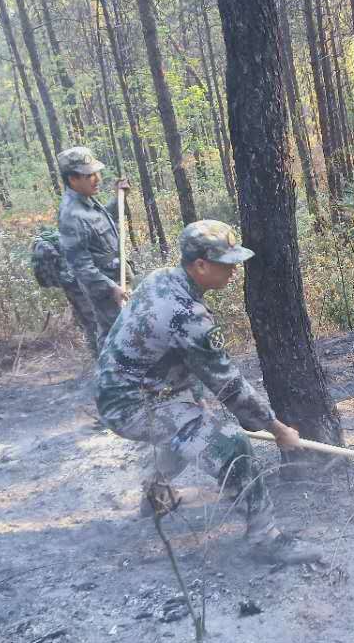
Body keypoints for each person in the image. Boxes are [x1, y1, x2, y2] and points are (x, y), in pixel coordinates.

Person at [95, 220, 308, 561]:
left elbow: (175, 354)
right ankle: (265, 538)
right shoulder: (186, 313)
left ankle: (155, 496)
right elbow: (228, 383)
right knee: (230, 443)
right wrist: (277, 428)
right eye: (227, 264)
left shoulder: (163, 277)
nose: (235, 271)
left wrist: (193, 400)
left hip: (135, 388)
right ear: (200, 265)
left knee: (192, 427)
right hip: (130, 405)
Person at [56, 146, 129, 354]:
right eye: (89, 175)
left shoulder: (86, 201)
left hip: (117, 279)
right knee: (114, 336)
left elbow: (102, 226)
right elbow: (81, 267)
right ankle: (109, 380)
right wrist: (111, 288)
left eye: (96, 173)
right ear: (73, 179)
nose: (97, 178)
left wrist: (118, 199)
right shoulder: (72, 214)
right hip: (104, 288)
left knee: (123, 332)